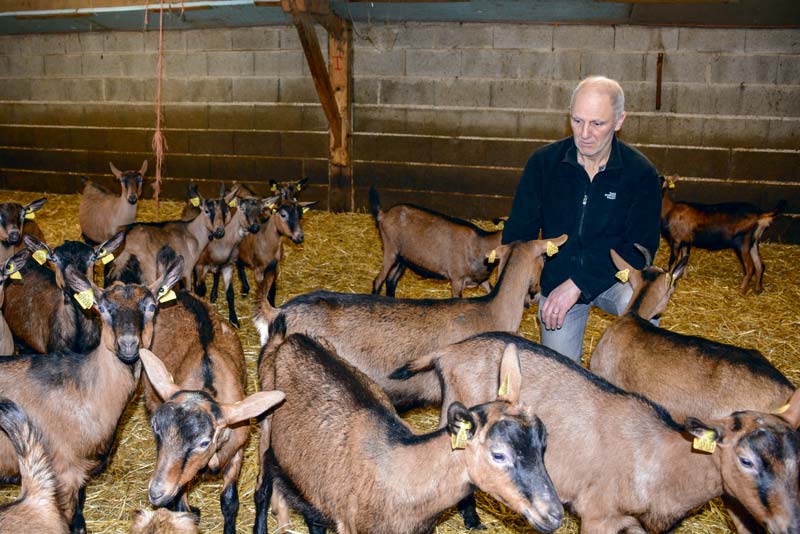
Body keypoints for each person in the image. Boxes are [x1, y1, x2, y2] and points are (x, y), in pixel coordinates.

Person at [501, 76, 661, 363]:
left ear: (619, 120)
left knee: (642, 304)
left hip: (614, 279)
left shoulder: (640, 174)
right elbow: (518, 234)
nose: (584, 133)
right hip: (557, 280)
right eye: (577, 121)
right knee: (559, 377)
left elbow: (641, 248)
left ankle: (638, 375)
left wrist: (578, 284)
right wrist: (522, 289)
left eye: (597, 124)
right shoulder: (544, 164)